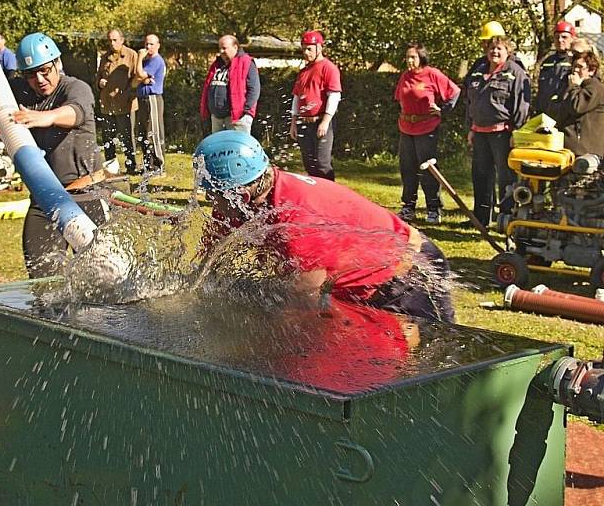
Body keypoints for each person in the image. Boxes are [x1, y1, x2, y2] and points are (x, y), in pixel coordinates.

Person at [193, 130, 455, 323]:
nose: (210, 201)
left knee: (418, 375)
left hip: (408, 278)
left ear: (242, 195)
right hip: (363, 279)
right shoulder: (245, 198)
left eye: (212, 194)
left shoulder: (297, 223)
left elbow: (301, 306)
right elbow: (205, 263)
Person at [10, 32, 104, 278]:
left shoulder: (75, 88)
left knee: (103, 278)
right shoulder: (24, 93)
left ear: (57, 63)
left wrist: (44, 117)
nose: (39, 79)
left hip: (86, 196)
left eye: (44, 70)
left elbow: (75, 113)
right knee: (42, 279)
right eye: (31, 74)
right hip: (45, 198)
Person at [465, 35, 531, 226]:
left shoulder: (516, 73)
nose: (494, 52)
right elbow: (471, 102)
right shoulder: (479, 72)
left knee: (506, 178)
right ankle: (481, 218)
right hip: (479, 132)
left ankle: (506, 218)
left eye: (499, 49)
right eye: (492, 48)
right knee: (481, 175)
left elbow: (522, 106)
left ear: (507, 51)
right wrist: (471, 128)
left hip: (503, 134)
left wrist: (516, 132)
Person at [394, 43, 460, 224]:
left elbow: (454, 92)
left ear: (421, 58)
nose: (409, 61)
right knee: (407, 168)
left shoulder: (432, 74)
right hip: (406, 128)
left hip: (427, 128)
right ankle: (408, 207)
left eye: (413, 57)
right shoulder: (405, 76)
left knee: (428, 169)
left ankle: (433, 208)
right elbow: (399, 98)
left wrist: (442, 110)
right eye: (407, 57)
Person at [288, 30, 341, 181]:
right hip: (304, 122)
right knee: (309, 163)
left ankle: (330, 196)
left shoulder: (328, 68)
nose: (306, 52)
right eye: (304, 48)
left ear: (319, 47)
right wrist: (293, 123)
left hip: (320, 121)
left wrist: (325, 121)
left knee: (322, 163)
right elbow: (297, 98)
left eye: (309, 48)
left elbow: (334, 96)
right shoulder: (304, 71)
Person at [96, 29, 139, 174]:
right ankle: (111, 168)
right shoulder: (104, 58)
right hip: (107, 104)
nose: (112, 43)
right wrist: (99, 82)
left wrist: (128, 94)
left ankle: (131, 167)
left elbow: (136, 78)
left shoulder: (131, 55)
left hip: (125, 103)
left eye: (115, 40)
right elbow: (97, 78)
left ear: (122, 40)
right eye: (110, 40)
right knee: (108, 139)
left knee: (128, 138)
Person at [199, 35, 260, 135]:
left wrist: (243, 112)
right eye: (220, 48)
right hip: (217, 119)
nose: (221, 51)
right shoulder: (217, 65)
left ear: (235, 47)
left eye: (224, 48)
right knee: (218, 150)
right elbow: (207, 88)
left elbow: (254, 90)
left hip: (237, 119)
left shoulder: (246, 62)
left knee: (237, 149)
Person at [548, 51, 604, 156]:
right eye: (574, 66)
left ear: (591, 71)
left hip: (586, 153)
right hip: (566, 149)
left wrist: (574, 86)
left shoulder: (596, 88)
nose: (576, 70)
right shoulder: (569, 86)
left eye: (580, 67)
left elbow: (577, 106)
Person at [132, 33, 166, 175]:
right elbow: (135, 80)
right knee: (143, 133)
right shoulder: (146, 61)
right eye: (146, 44)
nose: (148, 47)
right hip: (142, 98)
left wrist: (139, 57)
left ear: (158, 45)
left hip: (152, 98)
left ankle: (159, 166)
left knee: (154, 133)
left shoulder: (156, 61)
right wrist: (141, 78)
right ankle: (148, 166)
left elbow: (139, 74)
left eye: (151, 44)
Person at [535, 20, 575, 115]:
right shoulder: (547, 62)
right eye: (557, 37)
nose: (560, 40)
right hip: (545, 113)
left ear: (572, 38)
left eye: (564, 37)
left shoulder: (575, 62)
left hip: (565, 114)